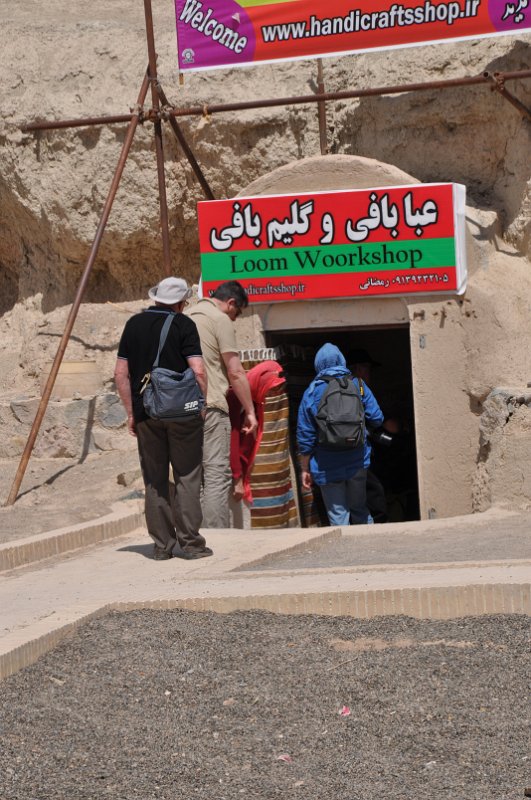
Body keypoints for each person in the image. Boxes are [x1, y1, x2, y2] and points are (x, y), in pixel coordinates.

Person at [114, 276, 212, 561]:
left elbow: (120, 374)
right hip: (183, 413)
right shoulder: (184, 325)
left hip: (146, 412)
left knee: (154, 478)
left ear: (157, 298)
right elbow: (198, 370)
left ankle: (162, 546)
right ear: (181, 302)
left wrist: (131, 412)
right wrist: (202, 403)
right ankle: (191, 544)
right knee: (187, 475)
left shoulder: (133, 324)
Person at [189, 280, 258, 528]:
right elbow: (235, 372)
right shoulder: (219, 320)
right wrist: (250, 411)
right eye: (236, 314)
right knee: (216, 476)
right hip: (211, 406)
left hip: (180, 409)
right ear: (231, 303)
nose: (234, 319)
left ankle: (194, 535)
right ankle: (218, 538)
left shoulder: (184, 316)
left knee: (192, 476)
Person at [297, 343, 384, 526]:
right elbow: (377, 418)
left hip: (326, 464)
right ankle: (369, 542)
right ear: (342, 361)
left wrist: (305, 469)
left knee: (338, 516)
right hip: (357, 459)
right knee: (360, 509)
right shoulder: (359, 385)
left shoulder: (311, 391)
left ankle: (344, 545)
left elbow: (305, 436)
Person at [227, 360, 286, 528]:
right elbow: (232, 441)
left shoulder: (254, 402)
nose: (271, 393)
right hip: (231, 478)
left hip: (241, 475)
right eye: (270, 388)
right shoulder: (235, 398)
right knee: (235, 528)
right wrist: (237, 480)